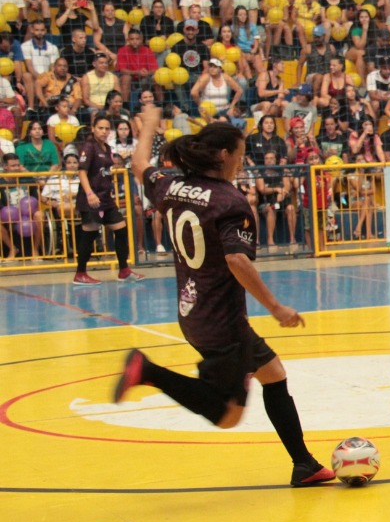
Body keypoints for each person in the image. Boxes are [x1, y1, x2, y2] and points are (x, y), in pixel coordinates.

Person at [117, 105, 336, 487]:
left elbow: (139, 165)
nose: (242, 160)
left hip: (192, 310)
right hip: (222, 320)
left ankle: (304, 464)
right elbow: (236, 260)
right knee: (227, 416)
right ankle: (147, 371)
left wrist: (148, 125)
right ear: (223, 155)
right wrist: (276, 307)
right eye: (240, 153)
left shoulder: (171, 185)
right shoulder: (229, 201)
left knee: (273, 373)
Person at [73, 116, 144, 285]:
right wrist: (90, 194)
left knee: (121, 230)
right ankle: (80, 273)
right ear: (93, 129)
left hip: (105, 198)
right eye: (100, 128)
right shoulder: (89, 146)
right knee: (89, 234)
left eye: (106, 129)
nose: (104, 132)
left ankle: (124, 271)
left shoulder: (107, 148)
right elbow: (82, 171)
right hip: (91, 198)